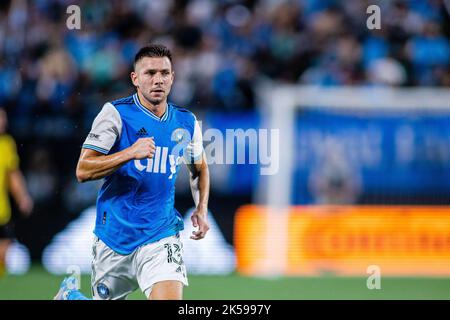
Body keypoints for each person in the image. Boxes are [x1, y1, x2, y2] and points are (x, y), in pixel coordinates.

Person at [54, 44, 210, 300]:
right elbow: (82, 170)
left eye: (164, 73)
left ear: (172, 77)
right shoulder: (116, 114)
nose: (157, 79)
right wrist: (129, 152)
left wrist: (201, 208)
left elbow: (199, 168)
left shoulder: (186, 121)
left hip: (161, 235)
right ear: (135, 79)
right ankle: (70, 297)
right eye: (149, 73)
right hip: (115, 238)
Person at [0, 108, 33, 275]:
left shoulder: (6, 143)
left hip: (2, 210)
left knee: (5, 246)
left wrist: (22, 197)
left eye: (3, 118)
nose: (2, 122)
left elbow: (13, 174)